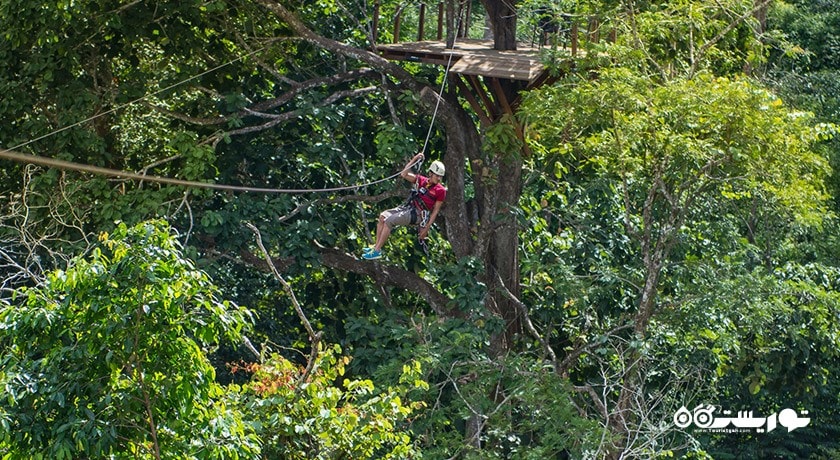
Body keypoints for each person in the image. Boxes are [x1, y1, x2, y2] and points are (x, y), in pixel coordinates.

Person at [362, 152, 446, 260]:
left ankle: (377, 251)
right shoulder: (422, 180)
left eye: (440, 176)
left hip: (418, 214)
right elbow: (404, 174)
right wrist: (414, 159)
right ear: (431, 173)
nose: (439, 178)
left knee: (390, 220)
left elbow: (435, 211)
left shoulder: (441, 190)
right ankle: (376, 247)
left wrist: (426, 228)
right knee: (383, 216)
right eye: (437, 175)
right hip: (409, 208)